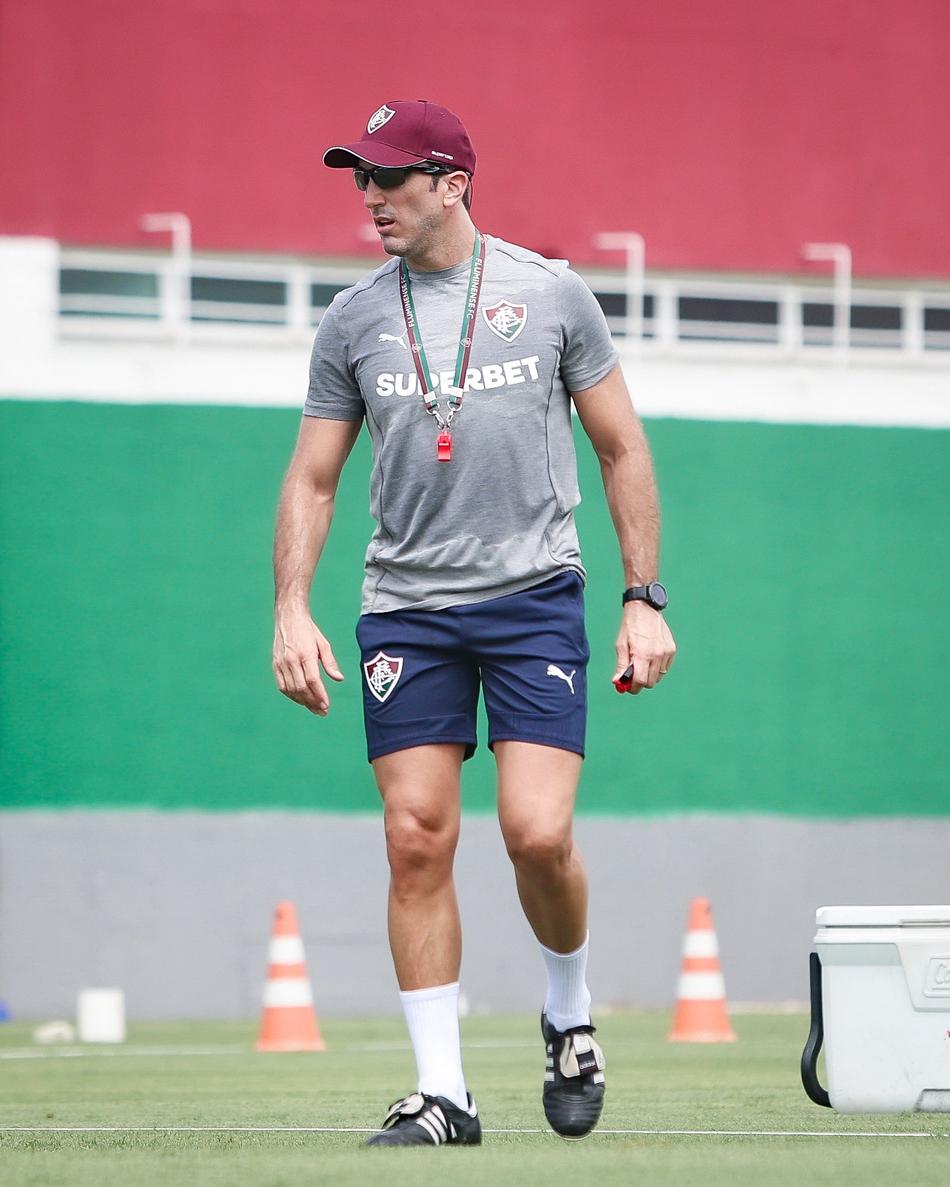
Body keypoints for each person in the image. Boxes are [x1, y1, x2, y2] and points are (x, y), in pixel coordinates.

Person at [272, 99, 676, 1148]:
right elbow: (313, 477)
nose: (371, 199)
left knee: (535, 833)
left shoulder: (550, 296)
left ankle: (567, 1010)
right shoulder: (353, 319)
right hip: (404, 608)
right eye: (360, 179)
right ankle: (443, 1092)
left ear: (451, 182)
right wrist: (288, 605)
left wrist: (641, 598)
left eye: (391, 179)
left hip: (533, 595)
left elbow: (621, 447)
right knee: (416, 839)